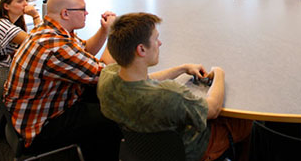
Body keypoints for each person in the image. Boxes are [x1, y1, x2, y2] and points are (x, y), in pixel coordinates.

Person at [97, 13, 251, 161]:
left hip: (143, 149)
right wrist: (219, 73)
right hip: (189, 149)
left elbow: (145, 80)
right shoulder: (168, 95)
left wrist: (182, 68)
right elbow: (213, 109)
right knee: (247, 123)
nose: (160, 43)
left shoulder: (107, 78)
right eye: (156, 38)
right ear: (141, 49)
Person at [4, 0, 121, 159]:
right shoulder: (54, 46)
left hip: (35, 110)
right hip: (40, 127)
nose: (87, 13)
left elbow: (85, 49)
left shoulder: (48, 30)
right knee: (110, 118)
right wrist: (112, 34)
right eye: (83, 9)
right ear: (65, 13)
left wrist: (103, 31)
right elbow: (104, 72)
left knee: (104, 95)